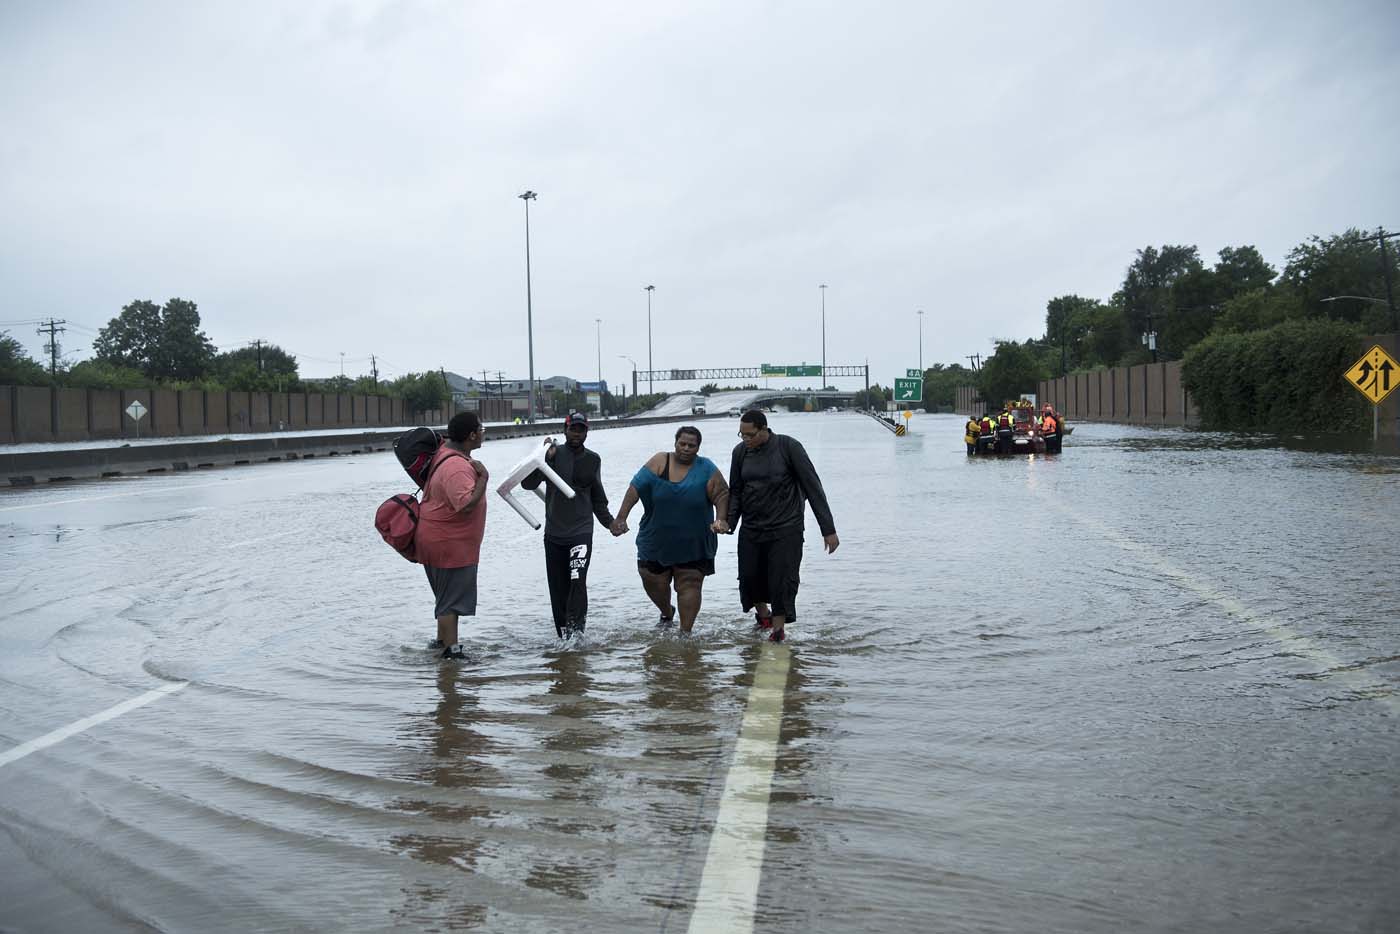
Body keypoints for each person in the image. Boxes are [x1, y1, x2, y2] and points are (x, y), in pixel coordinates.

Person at [725, 410, 838, 643]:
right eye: (742, 435)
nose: (746, 439)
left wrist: (828, 530)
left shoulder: (789, 447)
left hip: (786, 527)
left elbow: (813, 487)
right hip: (752, 527)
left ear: (765, 429)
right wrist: (729, 522)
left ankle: (778, 630)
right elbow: (735, 490)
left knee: (781, 579)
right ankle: (763, 615)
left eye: (750, 435)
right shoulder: (740, 453)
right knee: (748, 577)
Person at [610, 426, 730, 634]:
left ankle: (685, 634)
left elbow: (721, 494)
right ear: (675, 443)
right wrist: (621, 518)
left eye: (691, 445)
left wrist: (720, 519)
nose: (685, 448)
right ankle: (666, 611)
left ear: (698, 448)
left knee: (690, 583)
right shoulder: (659, 462)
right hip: (656, 541)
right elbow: (635, 489)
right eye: (682, 444)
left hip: (694, 542)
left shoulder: (706, 468)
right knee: (651, 578)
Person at [522, 412, 615, 638]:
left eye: (581, 429)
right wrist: (543, 458)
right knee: (558, 586)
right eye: (573, 429)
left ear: (586, 432)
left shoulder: (593, 459)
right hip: (554, 533)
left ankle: (578, 632)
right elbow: (527, 483)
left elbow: (598, 497)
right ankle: (563, 634)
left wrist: (610, 523)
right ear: (565, 430)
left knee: (577, 579)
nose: (577, 433)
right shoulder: (553, 454)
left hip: (581, 531)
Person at [414, 411, 489, 660]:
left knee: (446, 599)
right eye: (481, 429)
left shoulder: (445, 455)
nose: (483, 433)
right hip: (449, 545)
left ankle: (441, 645)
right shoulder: (457, 466)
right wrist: (483, 480)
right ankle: (451, 654)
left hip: (438, 541)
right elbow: (465, 503)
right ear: (471, 435)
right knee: (450, 603)